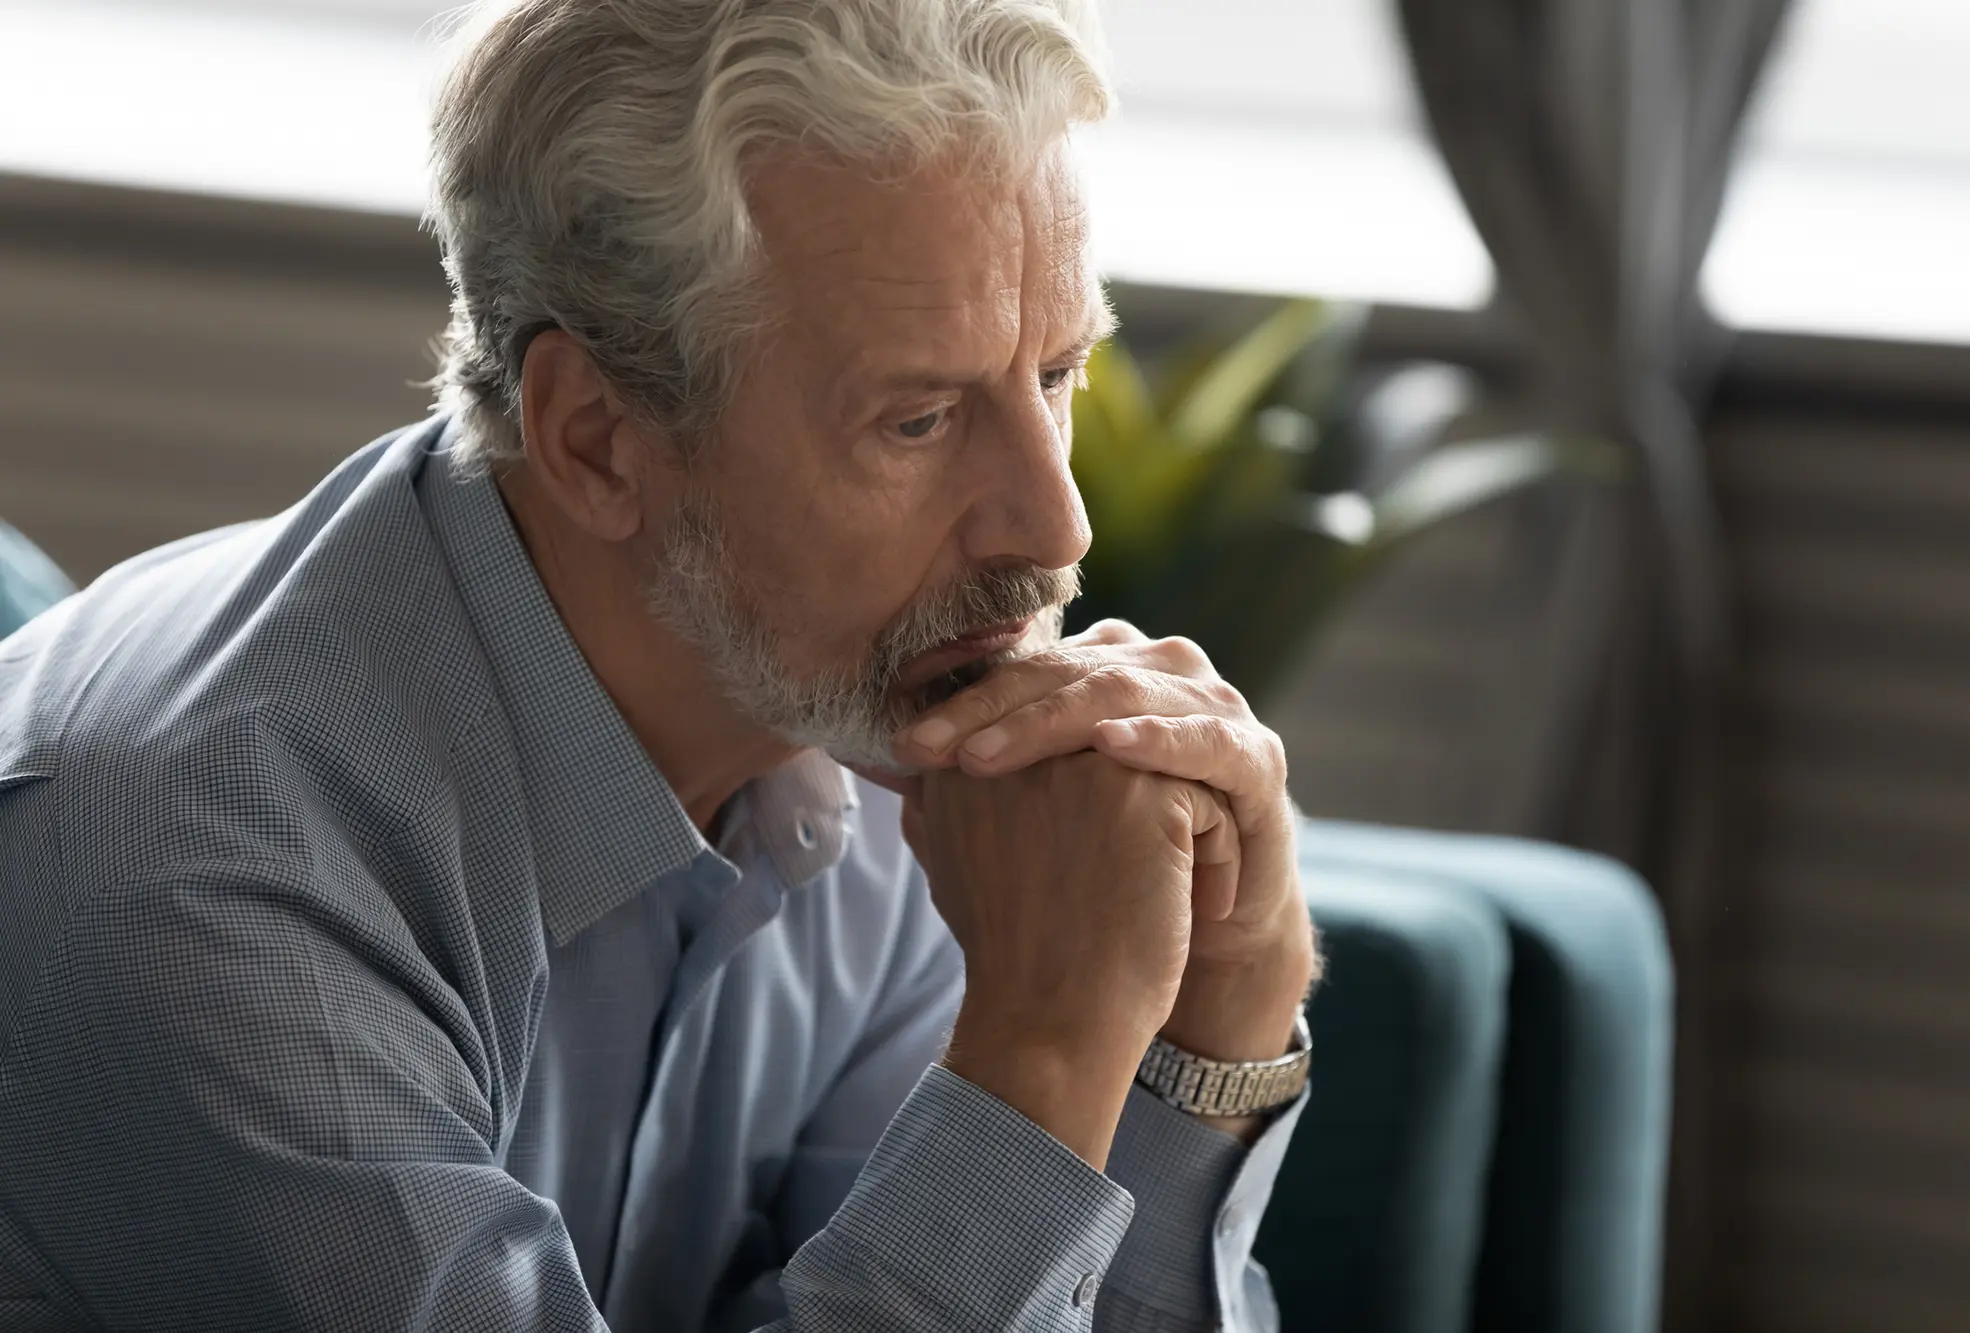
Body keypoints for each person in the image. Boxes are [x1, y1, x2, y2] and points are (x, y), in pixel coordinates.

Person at [0, 1, 1319, 1328]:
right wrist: (1042, 1049)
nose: (1056, 526)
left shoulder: (897, 733)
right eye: (919, 419)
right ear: (594, 439)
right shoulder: (205, 891)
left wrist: (1217, 1025)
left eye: (1058, 374)